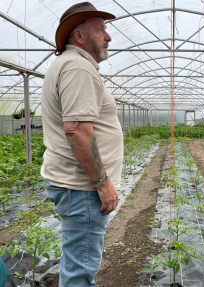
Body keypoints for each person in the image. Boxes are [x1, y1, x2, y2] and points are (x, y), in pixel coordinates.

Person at [41, 2, 123, 286]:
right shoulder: (78, 68)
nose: (108, 37)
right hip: (82, 189)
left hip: (77, 189)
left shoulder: (72, 65)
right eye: (101, 30)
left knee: (78, 263)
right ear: (79, 36)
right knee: (80, 272)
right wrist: (103, 183)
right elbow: (76, 130)